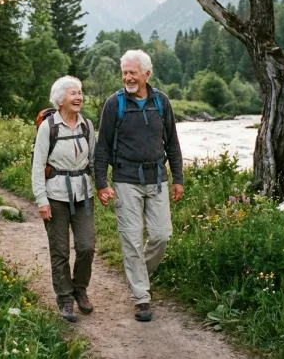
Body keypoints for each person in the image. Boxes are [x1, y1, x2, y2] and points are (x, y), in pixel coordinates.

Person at [94, 49, 184, 322]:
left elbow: (172, 143)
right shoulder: (114, 104)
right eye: (124, 73)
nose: (128, 78)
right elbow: (102, 148)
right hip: (125, 181)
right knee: (131, 240)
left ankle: (137, 275)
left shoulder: (162, 102)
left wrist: (178, 178)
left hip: (157, 179)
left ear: (147, 74)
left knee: (161, 236)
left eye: (133, 72)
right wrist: (101, 183)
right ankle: (141, 298)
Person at [31, 75, 96, 323]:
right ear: (60, 99)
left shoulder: (87, 126)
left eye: (80, 92)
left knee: (86, 246)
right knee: (59, 252)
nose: (78, 97)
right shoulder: (49, 127)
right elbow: (38, 166)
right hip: (55, 196)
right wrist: (41, 200)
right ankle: (65, 299)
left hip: (83, 195)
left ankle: (80, 289)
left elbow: (93, 163)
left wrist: (102, 187)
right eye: (73, 93)